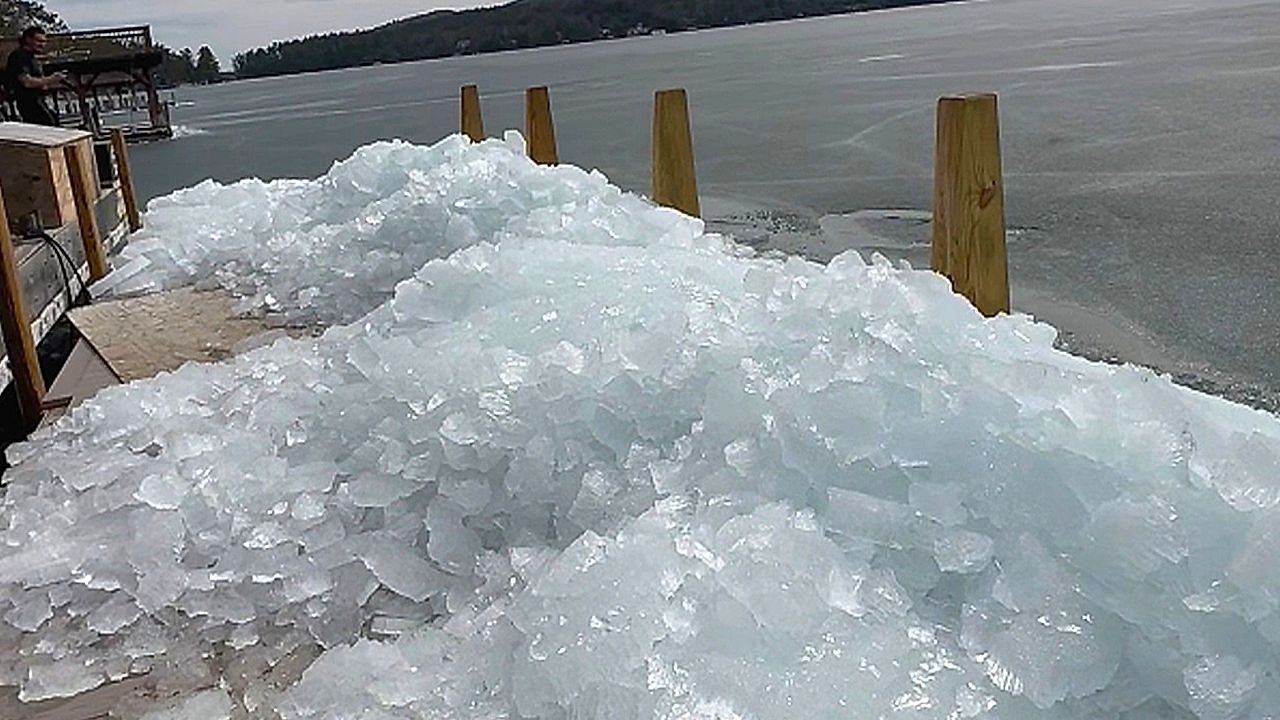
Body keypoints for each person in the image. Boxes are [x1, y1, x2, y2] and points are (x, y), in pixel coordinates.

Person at [5, 26, 64, 126]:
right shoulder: (19, 56)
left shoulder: (33, 59)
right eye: (39, 41)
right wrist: (51, 79)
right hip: (29, 103)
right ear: (28, 39)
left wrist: (49, 83)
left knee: (53, 122)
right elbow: (26, 82)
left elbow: (38, 82)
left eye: (44, 42)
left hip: (40, 101)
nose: (42, 45)